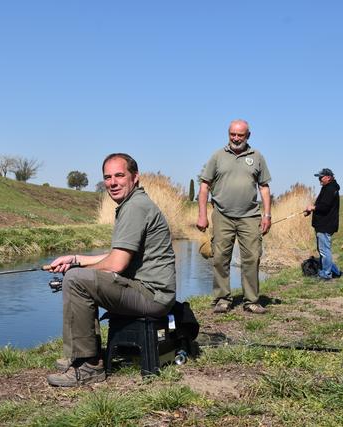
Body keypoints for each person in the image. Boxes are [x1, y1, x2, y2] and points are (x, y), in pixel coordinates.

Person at [46, 153, 176, 387]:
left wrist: (76, 272)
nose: (113, 182)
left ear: (135, 177)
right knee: (80, 276)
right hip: (151, 292)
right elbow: (115, 256)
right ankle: (81, 354)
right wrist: (75, 259)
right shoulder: (134, 203)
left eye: (119, 175)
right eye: (108, 177)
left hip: (152, 296)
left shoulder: (135, 207)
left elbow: (116, 264)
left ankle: (89, 366)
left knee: (76, 280)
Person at [196, 119, 272, 314]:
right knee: (220, 258)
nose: (236, 138)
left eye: (240, 135)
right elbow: (204, 187)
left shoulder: (257, 157)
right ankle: (222, 299)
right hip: (222, 215)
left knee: (252, 258)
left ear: (248, 136)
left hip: (250, 216)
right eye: (233, 134)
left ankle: (252, 301)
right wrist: (202, 215)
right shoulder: (217, 156)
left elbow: (264, 187)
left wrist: (267, 215)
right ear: (228, 134)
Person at [305, 168, 341, 280]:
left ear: (328, 177)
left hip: (325, 225)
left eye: (321, 177)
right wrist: (312, 210)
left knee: (324, 251)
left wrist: (312, 207)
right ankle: (334, 271)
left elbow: (324, 207)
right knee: (323, 250)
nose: (319, 179)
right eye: (319, 177)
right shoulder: (328, 188)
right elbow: (322, 206)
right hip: (322, 224)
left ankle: (326, 274)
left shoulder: (330, 189)